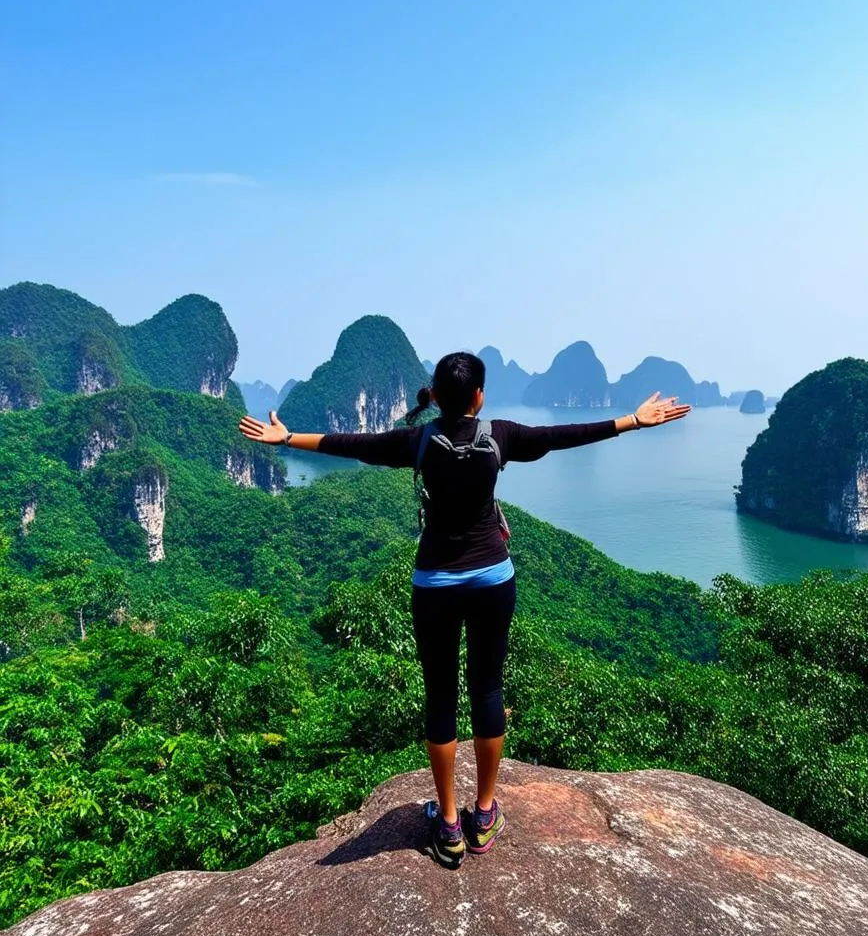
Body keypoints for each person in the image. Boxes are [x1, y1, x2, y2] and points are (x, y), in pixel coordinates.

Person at [238, 352, 691, 868]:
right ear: (479, 396)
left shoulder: (419, 441)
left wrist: (288, 438)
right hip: (493, 579)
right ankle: (484, 812)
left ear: (435, 394)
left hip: (434, 584)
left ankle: (449, 822)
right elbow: (561, 436)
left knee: (441, 694)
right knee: (488, 688)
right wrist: (631, 420)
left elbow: (352, 445)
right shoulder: (502, 436)